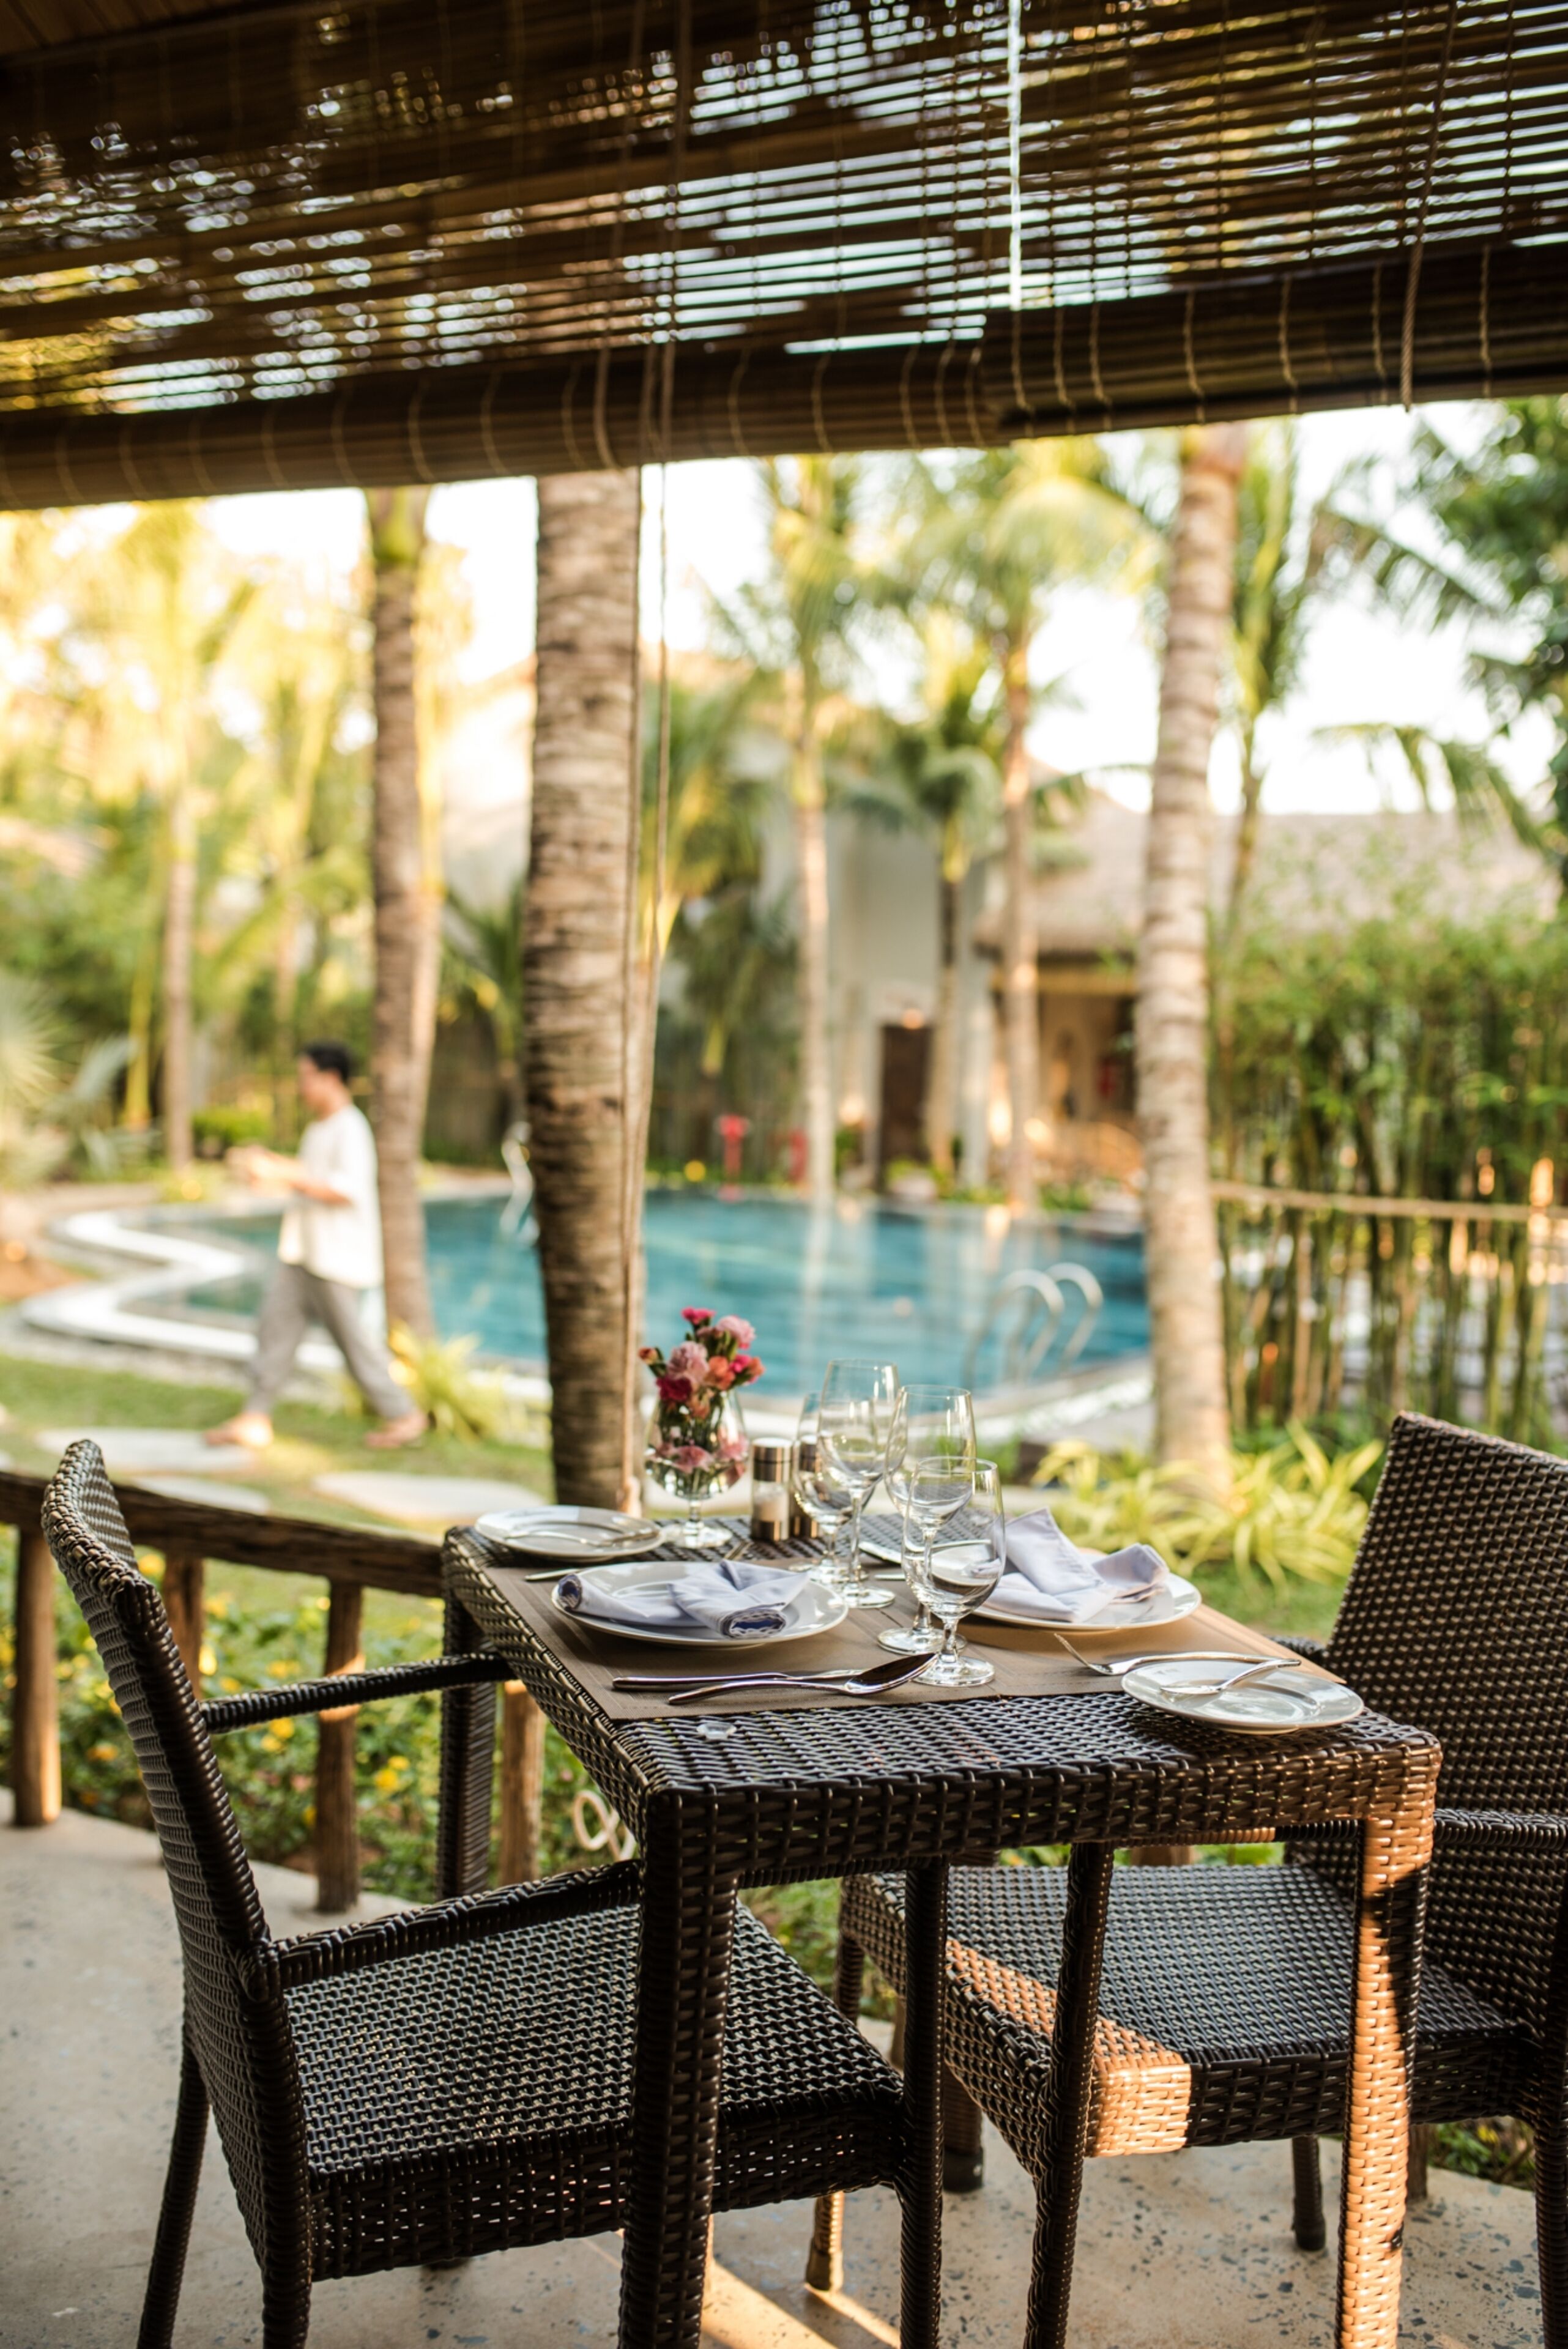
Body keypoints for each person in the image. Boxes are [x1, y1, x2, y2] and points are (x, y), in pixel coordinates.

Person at [206, 1042, 426, 1451]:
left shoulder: (351, 1129)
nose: (301, 1087)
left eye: (306, 1077)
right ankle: (255, 1417)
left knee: (355, 1343)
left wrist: (284, 1172)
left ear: (331, 1078)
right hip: (302, 1253)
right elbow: (310, 1183)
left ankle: (405, 1415)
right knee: (274, 1330)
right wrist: (273, 1176)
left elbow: (344, 1191)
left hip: (336, 1259)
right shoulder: (319, 1129)